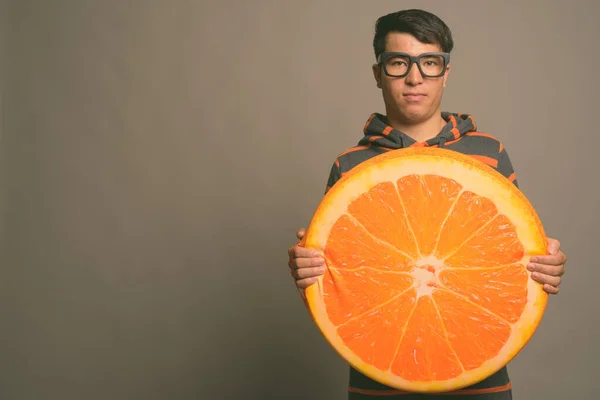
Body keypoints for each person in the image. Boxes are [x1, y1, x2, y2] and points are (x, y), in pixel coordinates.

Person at [287, 8, 567, 400]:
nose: (414, 77)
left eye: (429, 62)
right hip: (379, 386)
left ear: (446, 73)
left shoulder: (490, 153)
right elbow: (344, 284)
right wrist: (308, 273)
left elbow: (509, 260)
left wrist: (546, 263)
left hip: (480, 384)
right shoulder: (349, 166)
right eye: (398, 62)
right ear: (378, 73)